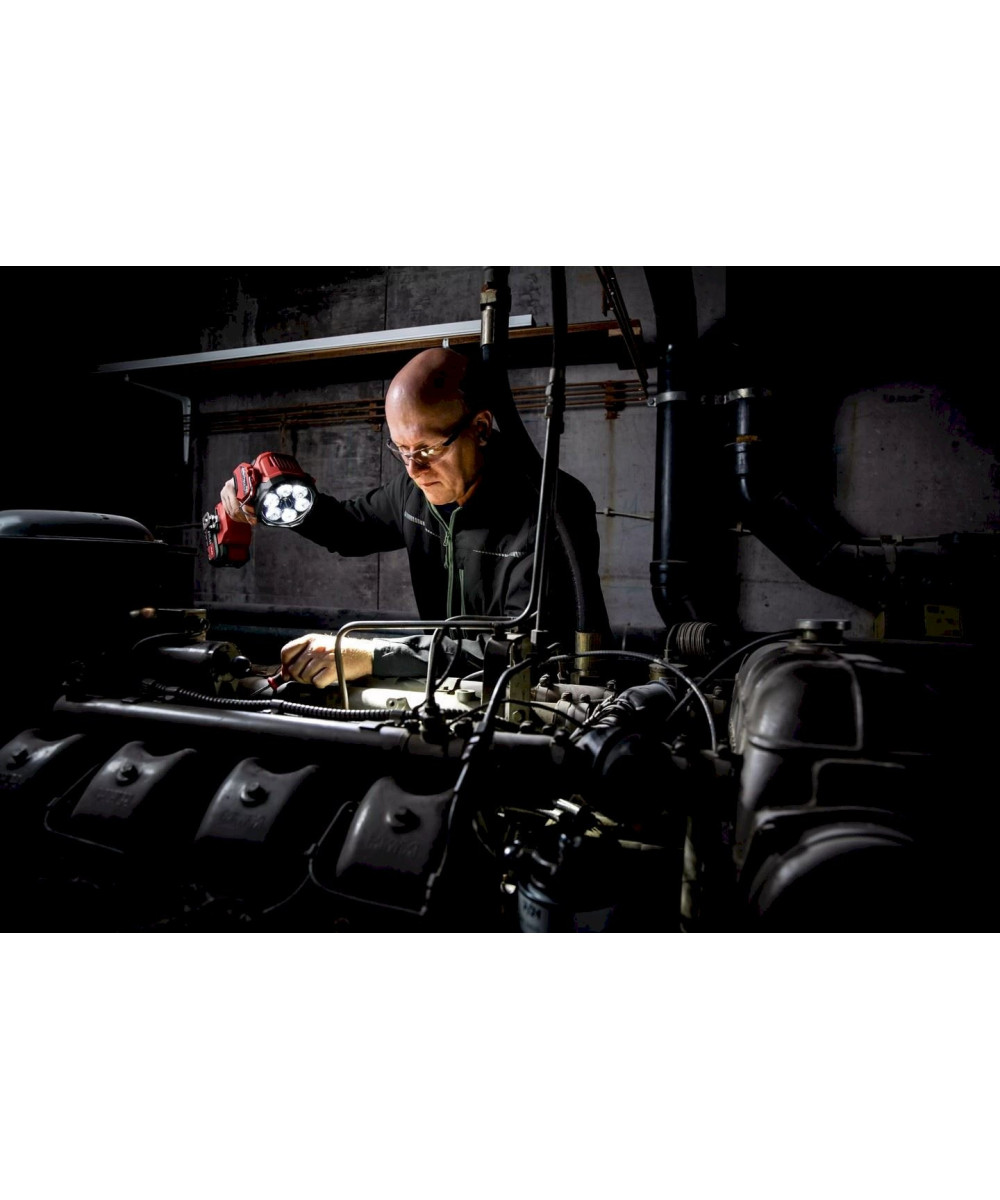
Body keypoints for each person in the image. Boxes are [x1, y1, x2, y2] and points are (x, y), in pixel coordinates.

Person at [219, 347, 609, 689]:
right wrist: (278, 498)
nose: (414, 469)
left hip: (540, 697)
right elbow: (350, 529)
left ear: (480, 428)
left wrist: (374, 655)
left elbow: (523, 649)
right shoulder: (414, 491)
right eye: (401, 450)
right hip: (446, 687)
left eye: (427, 449)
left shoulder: (553, 510)